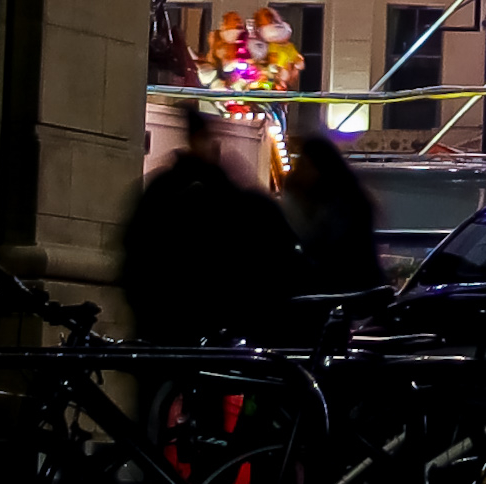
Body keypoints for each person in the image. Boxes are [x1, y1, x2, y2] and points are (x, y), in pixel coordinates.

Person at [122, 100, 299, 350]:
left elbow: (136, 244)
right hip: (203, 314)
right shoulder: (217, 189)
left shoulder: (165, 187)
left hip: (164, 313)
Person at [276, 119, 381, 296]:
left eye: (304, 165)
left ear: (320, 168)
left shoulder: (343, 206)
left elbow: (326, 251)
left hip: (347, 288)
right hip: (349, 286)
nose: (299, 171)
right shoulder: (345, 198)